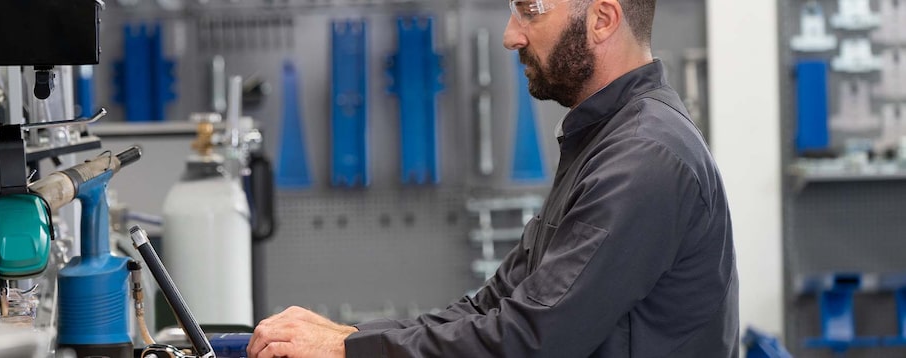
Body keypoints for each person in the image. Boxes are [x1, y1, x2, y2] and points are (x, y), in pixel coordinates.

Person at [247, 0, 738, 356]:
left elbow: (533, 338)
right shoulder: (604, 140)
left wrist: (348, 352)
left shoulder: (644, 155)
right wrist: (351, 340)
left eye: (531, 10)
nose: (511, 34)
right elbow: (493, 304)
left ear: (602, 19)